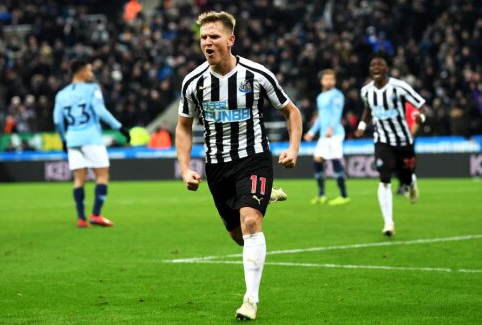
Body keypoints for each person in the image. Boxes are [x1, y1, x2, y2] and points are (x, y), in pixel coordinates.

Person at [175, 11, 302, 320]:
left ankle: (250, 300)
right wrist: (184, 168)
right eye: (203, 37)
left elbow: (291, 112)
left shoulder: (256, 75)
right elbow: (183, 126)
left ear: (230, 39)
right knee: (237, 235)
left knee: (250, 223)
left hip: (253, 158)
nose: (207, 42)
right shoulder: (193, 82)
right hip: (216, 166)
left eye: (214, 36)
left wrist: (294, 148)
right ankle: (263, 195)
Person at [355, 52, 426, 236]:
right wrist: (362, 125)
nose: (376, 68)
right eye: (373, 66)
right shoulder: (366, 91)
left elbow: (421, 104)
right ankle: (388, 223)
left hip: (403, 140)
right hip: (382, 140)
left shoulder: (400, 87)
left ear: (387, 69)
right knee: (384, 180)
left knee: (406, 177)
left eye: (380, 65)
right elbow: (367, 109)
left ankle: (411, 182)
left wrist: (421, 117)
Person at [53, 59, 131, 228]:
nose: (91, 73)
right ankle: (96, 214)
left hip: (72, 139)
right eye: (89, 70)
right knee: (102, 175)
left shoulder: (61, 94)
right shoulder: (92, 89)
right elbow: (100, 111)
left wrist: (64, 140)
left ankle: (81, 218)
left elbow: (57, 121)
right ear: (81, 72)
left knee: (78, 180)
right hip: (91, 139)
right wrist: (120, 127)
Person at [304, 69, 350, 206]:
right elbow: (320, 118)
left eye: (332, 79)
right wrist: (312, 132)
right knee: (318, 159)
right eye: (327, 79)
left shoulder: (337, 95)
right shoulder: (320, 97)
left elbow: (337, 113)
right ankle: (322, 194)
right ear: (321, 81)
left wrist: (331, 128)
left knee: (335, 160)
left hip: (335, 133)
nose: (329, 81)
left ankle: (344, 195)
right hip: (324, 134)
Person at [396, 102, 420, 195]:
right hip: (396, 139)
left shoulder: (409, 106)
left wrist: (410, 136)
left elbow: (416, 121)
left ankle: (408, 184)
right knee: (398, 163)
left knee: (407, 163)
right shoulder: (395, 105)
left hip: (407, 139)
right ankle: (403, 184)